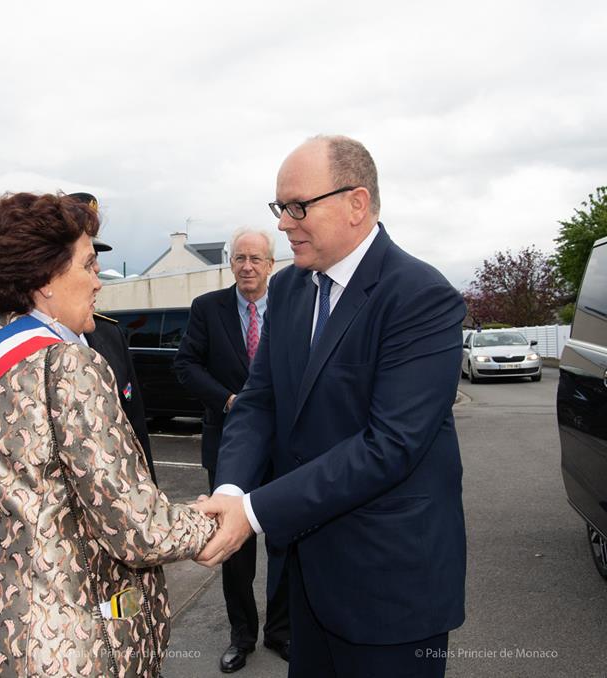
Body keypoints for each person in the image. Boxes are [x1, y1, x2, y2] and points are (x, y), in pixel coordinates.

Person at [196, 135, 467, 678]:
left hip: (390, 590)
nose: (283, 223)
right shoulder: (293, 291)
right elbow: (258, 401)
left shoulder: (420, 296)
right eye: (279, 207)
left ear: (356, 203)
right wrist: (230, 488)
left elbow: (388, 447)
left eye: (297, 207)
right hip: (309, 585)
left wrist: (252, 512)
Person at [0, 192, 215, 677]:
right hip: (58, 639)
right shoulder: (69, 363)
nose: (98, 279)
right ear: (45, 281)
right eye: (87, 265)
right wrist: (212, 520)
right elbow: (138, 529)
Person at [174, 227, 290, 672]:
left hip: (283, 446)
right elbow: (185, 364)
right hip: (229, 445)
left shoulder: (290, 306)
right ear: (231, 264)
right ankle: (241, 637)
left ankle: (282, 632)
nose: (246, 266)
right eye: (239, 258)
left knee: (284, 540)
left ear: (270, 264)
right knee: (235, 550)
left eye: (256, 259)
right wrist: (228, 399)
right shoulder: (208, 309)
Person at [69, 191, 157, 484]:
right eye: (87, 260)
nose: (96, 270)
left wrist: (150, 487)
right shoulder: (30, 343)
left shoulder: (110, 333)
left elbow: (135, 425)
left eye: (96, 258)